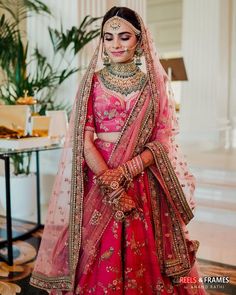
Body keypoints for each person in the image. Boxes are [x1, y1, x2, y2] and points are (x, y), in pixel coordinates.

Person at [30, 6, 206, 295]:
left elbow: (163, 137)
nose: (116, 44)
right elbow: (84, 140)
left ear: (139, 40)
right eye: (108, 37)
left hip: (143, 180)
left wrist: (126, 171)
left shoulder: (155, 82)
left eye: (124, 37)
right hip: (99, 177)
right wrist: (110, 183)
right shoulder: (92, 82)